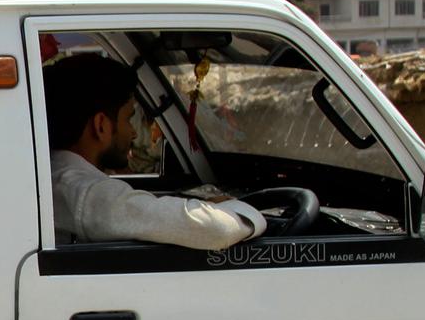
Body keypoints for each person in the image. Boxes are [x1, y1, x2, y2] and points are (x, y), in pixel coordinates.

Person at [46, 53, 265, 249]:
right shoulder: (89, 195)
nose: (133, 133)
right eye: (128, 118)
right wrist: (235, 207)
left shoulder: (54, 178)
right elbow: (218, 229)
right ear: (101, 125)